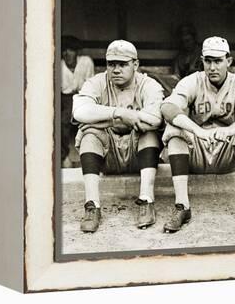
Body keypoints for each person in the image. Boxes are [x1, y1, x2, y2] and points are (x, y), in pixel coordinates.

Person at [160, 36, 235, 232]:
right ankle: (182, 206)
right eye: (208, 61)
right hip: (198, 150)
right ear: (202, 61)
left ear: (229, 61)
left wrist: (232, 129)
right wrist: (197, 130)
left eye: (218, 61)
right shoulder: (193, 81)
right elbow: (168, 108)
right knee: (174, 130)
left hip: (227, 150)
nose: (212, 67)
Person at [72, 40, 164, 232]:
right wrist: (119, 114)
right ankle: (92, 205)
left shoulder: (148, 84)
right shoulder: (96, 82)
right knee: (89, 133)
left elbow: (154, 118)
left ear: (135, 65)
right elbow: (79, 111)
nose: (116, 69)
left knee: (149, 132)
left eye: (122, 64)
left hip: (138, 155)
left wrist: (101, 117)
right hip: (107, 155)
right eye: (111, 64)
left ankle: (146, 200)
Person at [60, 36, 95, 168]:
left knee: (92, 122)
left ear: (77, 52)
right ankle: (64, 157)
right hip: (66, 98)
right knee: (62, 122)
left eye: (71, 50)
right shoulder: (59, 65)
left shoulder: (86, 62)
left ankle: (91, 156)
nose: (67, 53)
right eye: (64, 50)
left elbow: (90, 85)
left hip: (84, 96)